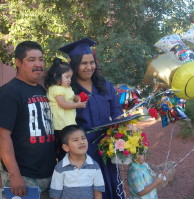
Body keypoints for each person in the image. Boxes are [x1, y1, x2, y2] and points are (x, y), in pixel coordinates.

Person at [58, 38, 124, 199]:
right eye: (83, 63)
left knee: (110, 187)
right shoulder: (67, 91)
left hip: (107, 149)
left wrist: (124, 135)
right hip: (81, 151)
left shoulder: (105, 86)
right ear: (74, 65)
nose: (89, 67)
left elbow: (117, 113)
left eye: (91, 62)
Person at [0, 41, 57, 199]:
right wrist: (14, 175)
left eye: (41, 59)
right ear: (18, 62)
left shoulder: (41, 90)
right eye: (32, 59)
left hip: (48, 174)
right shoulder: (9, 92)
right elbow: (2, 136)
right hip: (24, 176)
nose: (38, 64)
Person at [44, 57, 87, 160]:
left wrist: (79, 98)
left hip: (68, 123)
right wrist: (77, 105)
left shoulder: (67, 89)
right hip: (60, 125)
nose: (69, 80)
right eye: (67, 77)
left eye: (70, 77)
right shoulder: (56, 89)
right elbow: (63, 104)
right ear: (56, 76)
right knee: (62, 148)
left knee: (70, 147)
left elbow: (73, 97)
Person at [49, 125, 105, 199]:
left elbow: (98, 192)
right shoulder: (60, 168)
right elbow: (56, 194)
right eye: (75, 140)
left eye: (83, 138)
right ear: (66, 147)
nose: (81, 142)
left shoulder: (94, 166)